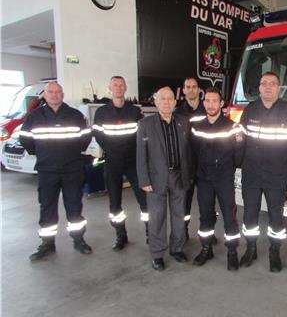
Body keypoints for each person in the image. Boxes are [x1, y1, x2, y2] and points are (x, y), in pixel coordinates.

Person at [20, 82, 93, 261]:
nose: (54, 95)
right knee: (47, 207)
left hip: (72, 169)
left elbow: (85, 139)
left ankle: (78, 239)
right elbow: (26, 140)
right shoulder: (34, 117)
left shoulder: (75, 115)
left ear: (63, 94)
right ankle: (47, 244)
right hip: (47, 170)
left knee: (74, 206)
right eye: (50, 92)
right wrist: (44, 154)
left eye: (57, 92)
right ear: (44, 95)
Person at [238, 72, 287, 272]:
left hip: (277, 173)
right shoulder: (250, 110)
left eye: (272, 84)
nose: (268, 87)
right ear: (259, 87)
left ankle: (275, 252)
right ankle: (251, 249)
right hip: (252, 173)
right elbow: (241, 141)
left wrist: (278, 159)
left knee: (276, 216)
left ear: (279, 88)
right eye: (264, 83)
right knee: (250, 214)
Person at [136, 86, 193, 271]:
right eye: (163, 98)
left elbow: (189, 152)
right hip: (156, 178)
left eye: (170, 98)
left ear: (175, 102)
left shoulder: (184, 122)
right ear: (156, 101)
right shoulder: (145, 124)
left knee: (179, 216)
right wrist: (144, 180)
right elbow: (140, 155)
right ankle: (157, 254)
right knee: (157, 217)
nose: (167, 102)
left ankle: (177, 249)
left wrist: (189, 175)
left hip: (179, 176)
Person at [190, 87, 244, 271]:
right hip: (204, 178)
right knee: (205, 215)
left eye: (215, 101)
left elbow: (239, 153)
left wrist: (226, 168)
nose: (210, 104)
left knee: (229, 216)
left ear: (221, 104)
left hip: (223, 178)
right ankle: (206, 248)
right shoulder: (197, 126)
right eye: (207, 100)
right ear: (203, 103)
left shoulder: (232, 127)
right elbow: (194, 150)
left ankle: (232, 252)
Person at [92, 76, 147, 251]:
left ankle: (150, 233)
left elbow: (141, 134)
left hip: (133, 161)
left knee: (144, 200)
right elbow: (98, 136)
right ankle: (120, 235)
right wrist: (114, 149)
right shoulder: (101, 112)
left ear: (125, 88)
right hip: (112, 161)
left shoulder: (135, 111)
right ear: (110, 88)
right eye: (115, 85)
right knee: (115, 202)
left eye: (121, 85)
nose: (118, 87)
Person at [175, 77, 206, 240]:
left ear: (198, 90)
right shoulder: (178, 112)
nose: (191, 90)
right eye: (188, 87)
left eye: (194, 87)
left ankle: (208, 232)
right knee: (184, 201)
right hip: (186, 163)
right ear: (184, 90)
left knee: (206, 201)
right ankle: (184, 232)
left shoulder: (208, 108)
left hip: (205, 162)